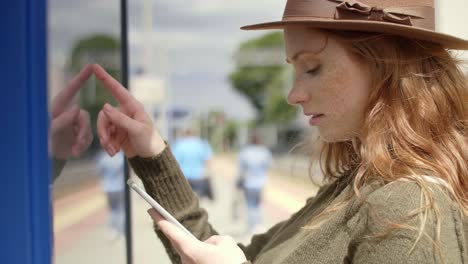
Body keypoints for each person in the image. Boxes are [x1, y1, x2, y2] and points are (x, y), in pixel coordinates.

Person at [93, 0, 468, 262]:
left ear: (384, 64)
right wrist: (151, 152)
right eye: (294, 69)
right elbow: (224, 255)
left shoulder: (407, 208)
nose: (293, 94)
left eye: (313, 67)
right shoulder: (357, 186)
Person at [236, 131, 272, 233]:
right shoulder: (265, 151)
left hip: (249, 182)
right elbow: (269, 166)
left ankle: (251, 226)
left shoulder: (245, 152)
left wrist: (237, 183)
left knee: (250, 204)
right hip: (261, 182)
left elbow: (241, 169)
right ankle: (259, 224)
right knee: (259, 204)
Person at [172, 128, 214, 199]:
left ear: (184, 134)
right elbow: (208, 160)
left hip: (183, 178)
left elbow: (174, 162)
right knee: (198, 200)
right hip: (198, 177)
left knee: (185, 201)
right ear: (193, 134)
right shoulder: (201, 144)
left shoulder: (178, 145)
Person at [95, 149, 126, 239]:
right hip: (120, 186)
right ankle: (123, 229)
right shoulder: (121, 156)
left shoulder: (103, 157)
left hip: (107, 187)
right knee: (122, 209)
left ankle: (112, 230)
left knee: (112, 209)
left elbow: (99, 173)